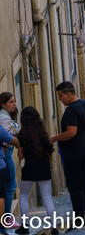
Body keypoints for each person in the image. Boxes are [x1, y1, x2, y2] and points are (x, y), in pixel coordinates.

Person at [49, 83, 85, 226]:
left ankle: (79, 219)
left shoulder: (71, 111)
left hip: (77, 155)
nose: (59, 99)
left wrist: (54, 138)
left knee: (76, 187)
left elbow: (71, 133)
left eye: (60, 96)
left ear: (68, 94)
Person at [15, 107, 57, 235]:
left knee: (23, 197)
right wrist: (50, 168)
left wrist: (18, 147)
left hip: (30, 169)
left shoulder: (22, 134)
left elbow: (21, 156)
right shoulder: (43, 133)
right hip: (44, 169)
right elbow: (49, 153)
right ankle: (54, 228)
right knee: (47, 199)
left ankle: (25, 226)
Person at [0, 92, 20, 229]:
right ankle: (6, 218)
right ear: (3, 104)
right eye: (11, 102)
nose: (14, 104)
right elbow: (12, 137)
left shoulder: (5, 116)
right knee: (11, 185)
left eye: (14, 101)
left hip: (6, 153)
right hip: (6, 154)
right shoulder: (3, 119)